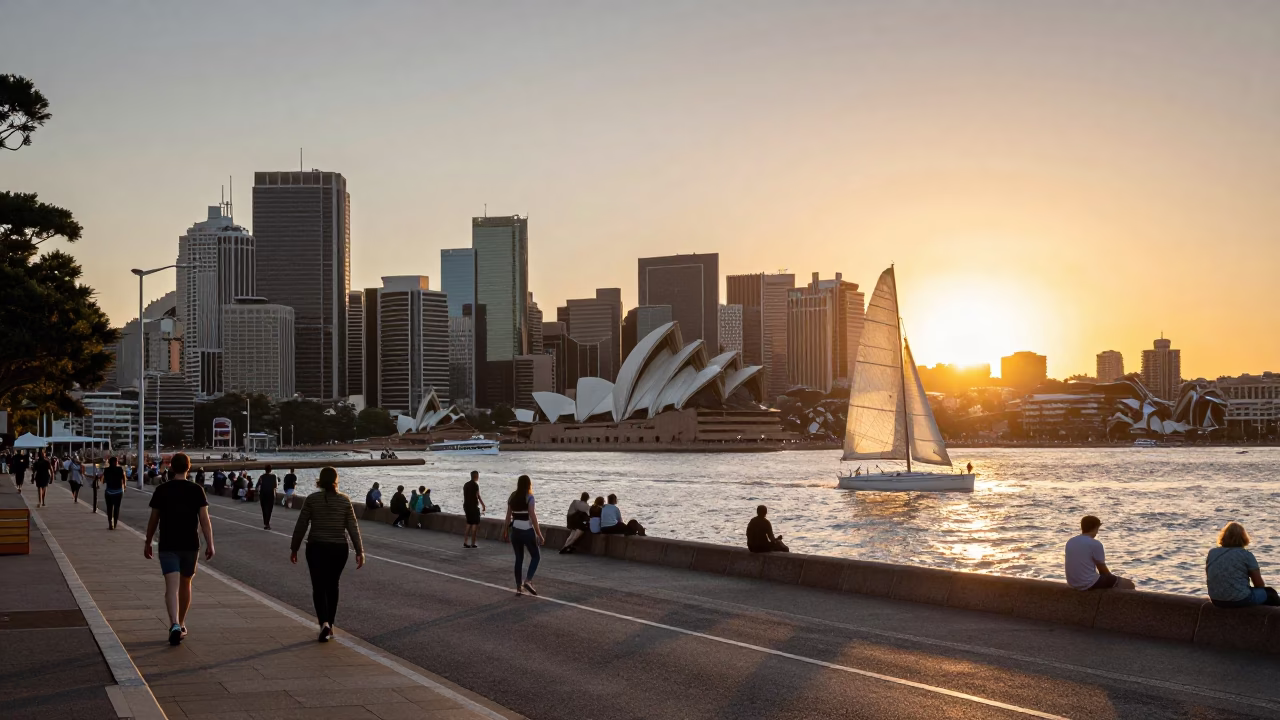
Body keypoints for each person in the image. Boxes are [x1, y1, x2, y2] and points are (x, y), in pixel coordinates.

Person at [143, 453, 215, 646]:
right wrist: (210, 543)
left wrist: (148, 541)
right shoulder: (197, 490)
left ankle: (174, 623)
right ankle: (181, 622)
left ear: (171, 467)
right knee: (186, 584)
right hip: (190, 545)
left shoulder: (161, 490)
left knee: (171, 587)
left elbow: (153, 519)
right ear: (188, 468)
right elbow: (205, 520)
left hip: (168, 544)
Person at [290, 466, 364, 642]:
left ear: (320, 481)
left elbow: (301, 525)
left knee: (318, 586)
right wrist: (359, 551)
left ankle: (323, 622)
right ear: (335, 480)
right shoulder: (345, 501)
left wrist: (294, 548)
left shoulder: (312, 500)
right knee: (332, 585)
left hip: (316, 547)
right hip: (339, 548)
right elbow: (353, 527)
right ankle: (330, 624)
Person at [1207, 522, 1280, 608]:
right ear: (1244, 538)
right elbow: (1259, 584)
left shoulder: (1212, 553)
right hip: (1240, 600)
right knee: (1270, 593)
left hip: (1216, 600)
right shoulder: (1246, 555)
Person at [1065, 515, 1135, 591]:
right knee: (1129, 584)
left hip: (1072, 583)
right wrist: (1111, 580)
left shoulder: (1071, 541)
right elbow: (1102, 569)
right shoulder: (1095, 543)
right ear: (1095, 528)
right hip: (1088, 584)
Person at [501, 475, 544, 596]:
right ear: (529, 484)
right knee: (536, 556)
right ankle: (528, 580)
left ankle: (518, 587)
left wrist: (505, 531)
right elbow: (533, 517)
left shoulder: (512, 496)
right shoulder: (529, 497)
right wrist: (539, 534)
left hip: (515, 531)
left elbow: (508, 516)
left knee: (518, 559)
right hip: (527, 531)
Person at [462, 470, 485, 549]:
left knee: (469, 523)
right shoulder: (475, 485)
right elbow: (477, 496)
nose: (478, 477)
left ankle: (465, 541)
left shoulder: (466, 485)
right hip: (473, 507)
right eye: (478, 475)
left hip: (466, 506)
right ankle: (473, 542)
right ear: (475, 476)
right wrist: (483, 505)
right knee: (474, 524)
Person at [102, 457, 126, 529]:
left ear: (109, 462)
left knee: (109, 508)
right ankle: (115, 524)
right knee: (116, 508)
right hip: (118, 492)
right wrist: (124, 486)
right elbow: (123, 478)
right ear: (116, 462)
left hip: (109, 491)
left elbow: (104, 481)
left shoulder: (106, 470)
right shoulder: (120, 469)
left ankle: (110, 523)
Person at [256, 465, 279, 530]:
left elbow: (257, 485)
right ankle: (267, 523)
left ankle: (266, 523)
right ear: (271, 470)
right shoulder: (274, 476)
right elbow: (275, 486)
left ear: (265, 469)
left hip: (263, 494)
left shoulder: (261, 477)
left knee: (264, 509)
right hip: (270, 494)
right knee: (269, 509)